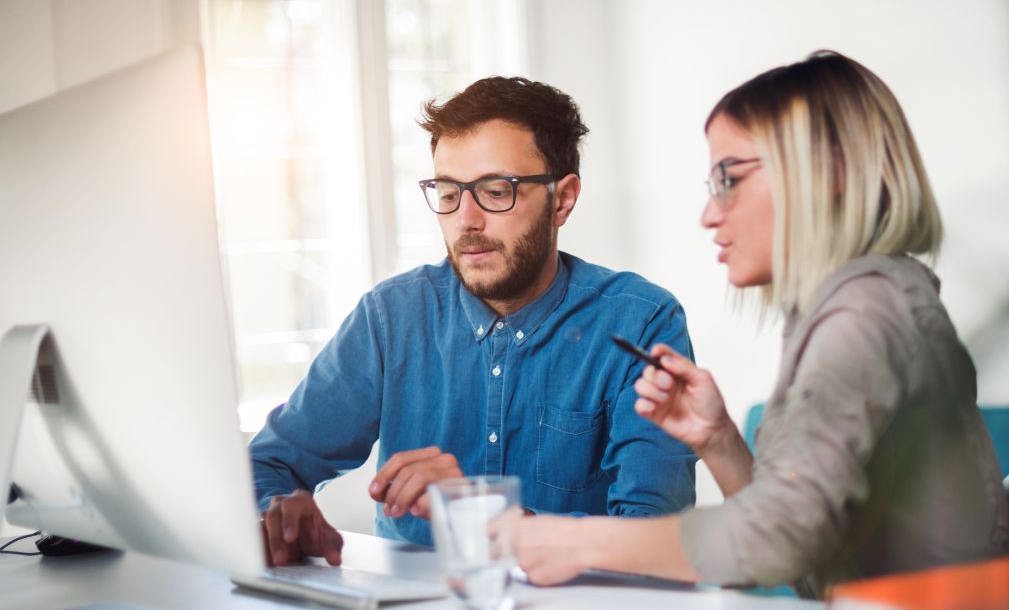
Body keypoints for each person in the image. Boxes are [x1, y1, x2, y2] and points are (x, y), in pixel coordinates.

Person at [512, 51, 1009, 596]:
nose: (709, 214)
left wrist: (575, 542)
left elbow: (778, 540)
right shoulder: (852, 304)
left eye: (729, 178)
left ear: (831, 170)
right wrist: (720, 439)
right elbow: (807, 544)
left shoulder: (865, 315)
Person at [251, 76, 697, 566]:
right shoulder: (391, 318)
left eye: (496, 191)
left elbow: (660, 543)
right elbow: (268, 463)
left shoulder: (640, 322)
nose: (466, 220)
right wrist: (278, 512)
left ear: (563, 200)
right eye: (448, 193)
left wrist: (485, 512)